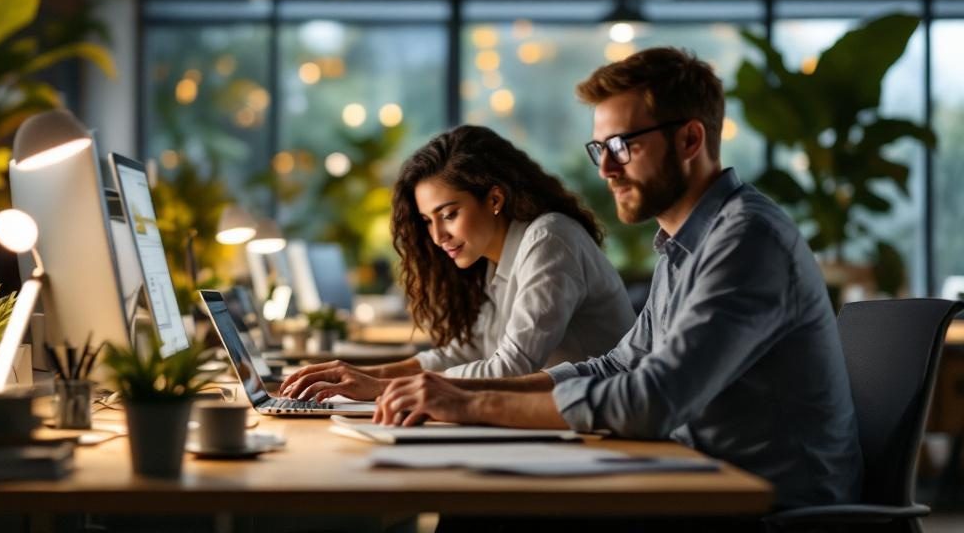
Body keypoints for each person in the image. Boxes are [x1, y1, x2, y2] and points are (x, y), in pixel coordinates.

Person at [372, 47, 863, 510]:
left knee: (494, 509)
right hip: (694, 478)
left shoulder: (748, 241)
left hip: (766, 506)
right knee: (484, 503)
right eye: (600, 148)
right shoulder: (683, 246)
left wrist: (474, 405)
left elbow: (652, 400)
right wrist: (462, 395)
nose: (606, 168)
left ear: (690, 140)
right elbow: (616, 365)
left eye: (623, 146)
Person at [280, 125, 636, 401]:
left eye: (449, 214)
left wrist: (380, 388)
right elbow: (470, 351)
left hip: (605, 428)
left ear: (494, 199)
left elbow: (510, 368)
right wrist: (362, 376)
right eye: (428, 221)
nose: (438, 237)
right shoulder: (497, 259)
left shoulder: (549, 239)